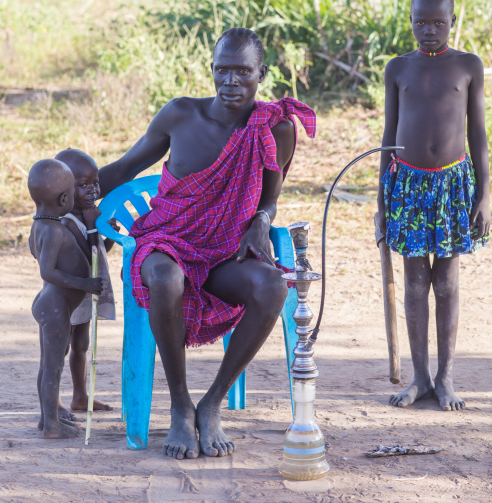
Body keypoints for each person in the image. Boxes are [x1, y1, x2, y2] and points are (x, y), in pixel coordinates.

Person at [99, 27, 316, 459]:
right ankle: (180, 404)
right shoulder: (181, 115)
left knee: (272, 285)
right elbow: (124, 168)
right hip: (167, 239)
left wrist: (261, 220)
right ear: (211, 70)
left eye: (243, 72)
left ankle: (211, 402)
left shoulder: (274, 128)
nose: (231, 81)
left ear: (262, 73)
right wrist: (72, 196)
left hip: (224, 251)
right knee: (164, 276)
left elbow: (270, 200)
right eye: (223, 70)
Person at [378, 0, 490, 412]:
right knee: (414, 283)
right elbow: (388, 137)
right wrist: (381, 201)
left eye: (438, 22)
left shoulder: (468, 66)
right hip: (406, 184)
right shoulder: (398, 69)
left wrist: (485, 195)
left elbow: (477, 134)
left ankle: (445, 378)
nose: (429, 30)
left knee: (446, 282)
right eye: (420, 22)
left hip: (453, 185)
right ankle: (419, 379)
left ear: (453, 21)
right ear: (409, 21)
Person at [28, 159, 104, 439]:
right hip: (55, 305)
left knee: (48, 364)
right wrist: (84, 283)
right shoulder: (53, 229)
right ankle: (52, 427)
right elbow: (47, 271)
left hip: (53, 304)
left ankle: (47, 419)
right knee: (52, 367)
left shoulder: (41, 225)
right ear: (64, 198)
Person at [54, 149, 117, 412]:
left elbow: (100, 251)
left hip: (86, 291)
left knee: (82, 344)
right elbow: (87, 255)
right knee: (61, 347)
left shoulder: (87, 215)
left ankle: (80, 397)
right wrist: (93, 226)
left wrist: (110, 235)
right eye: (83, 185)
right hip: (70, 293)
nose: (92, 190)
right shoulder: (67, 222)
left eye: (95, 182)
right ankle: (53, 401)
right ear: (64, 191)